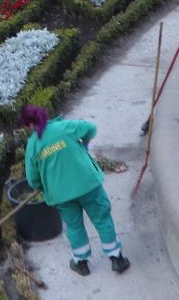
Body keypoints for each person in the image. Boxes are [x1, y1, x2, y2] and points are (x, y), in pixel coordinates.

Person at [20, 105, 130, 277]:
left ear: (29, 125)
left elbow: (33, 178)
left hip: (61, 195)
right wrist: (84, 143)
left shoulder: (33, 145)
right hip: (88, 185)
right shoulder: (65, 127)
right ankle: (117, 258)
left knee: (74, 225)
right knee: (102, 218)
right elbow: (90, 128)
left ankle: (81, 263)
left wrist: (45, 187)